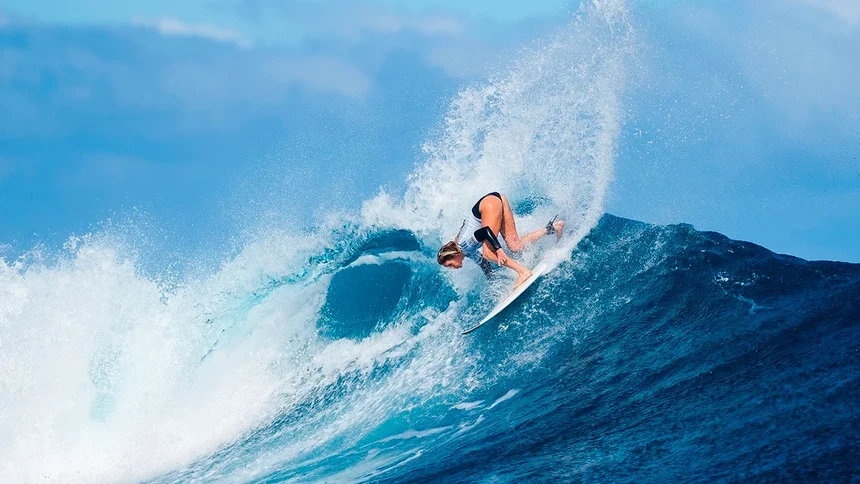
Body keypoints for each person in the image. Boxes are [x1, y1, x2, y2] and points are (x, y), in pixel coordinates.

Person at [436, 192, 564, 288]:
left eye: (450, 264)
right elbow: (484, 265)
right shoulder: (467, 252)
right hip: (497, 199)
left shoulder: (463, 244)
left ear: (452, 255)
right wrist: (494, 283)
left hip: (488, 204)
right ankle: (553, 228)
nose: (453, 268)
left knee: (488, 252)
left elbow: (485, 231)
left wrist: (499, 250)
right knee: (515, 246)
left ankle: (523, 272)